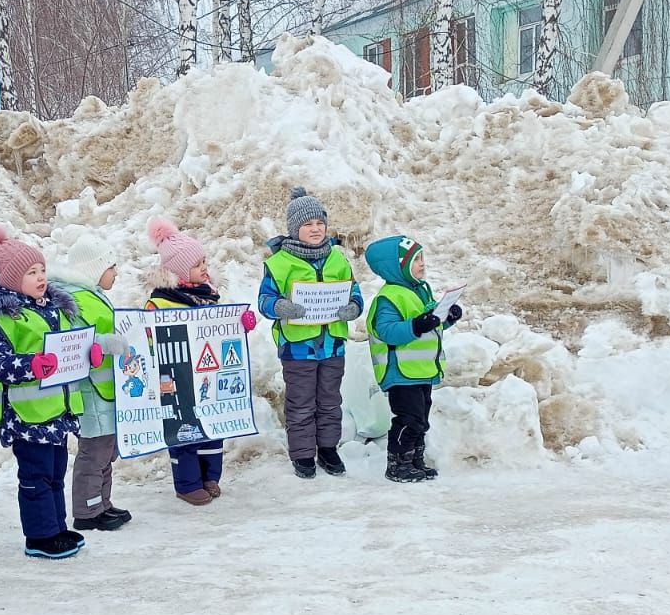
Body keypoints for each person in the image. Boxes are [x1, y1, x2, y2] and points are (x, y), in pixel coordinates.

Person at [0, 224, 92, 559]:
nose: (41, 276)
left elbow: (71, 345)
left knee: (55, 470)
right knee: (36, 475)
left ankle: (57, 527)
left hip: (58, 409)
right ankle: (39, 536)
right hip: (26, 415)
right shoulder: (3, 318)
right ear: (12, 279)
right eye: (31, 272)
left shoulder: (53, 308)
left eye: (41, 269)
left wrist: (89, 353)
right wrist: (32, 365)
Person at [146, 216, 257, 505]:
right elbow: (146, 336)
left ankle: (211, 476)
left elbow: (220, 330)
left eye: (204, 261)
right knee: (184, 429)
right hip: (177, 377)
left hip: (206, 374)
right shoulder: (160, 301)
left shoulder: (208, 296)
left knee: (212, 424)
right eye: (198, 265)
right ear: (180, 272)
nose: (205, 268)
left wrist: (241, 323)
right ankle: (187, 483)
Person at [257, 187, 363, 478]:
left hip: (332, 345)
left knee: (330, 400)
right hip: (298, 346)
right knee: (301, 402)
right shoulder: (278, 264)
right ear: (294, 229)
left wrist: (353, 308)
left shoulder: (338, 259)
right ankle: (303, 454)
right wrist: (282, 307)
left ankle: (328, 449)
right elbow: (264, 301)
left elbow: (355, 293)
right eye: (308, 224)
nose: (316, 229)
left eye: (320, 223)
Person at [364, 235, 461, 482]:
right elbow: (387, 331)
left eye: (422, 258)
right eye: (415, 260)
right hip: (401, 371)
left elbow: (429, 324)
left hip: (421, 369)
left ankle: (415, 460)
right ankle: (397, 464)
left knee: (421, 419)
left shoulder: (418, 290)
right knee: (408, 419)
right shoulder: (389, 297)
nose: (422, 263)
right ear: (397, 266)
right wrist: (417, 324)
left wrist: (447, 318)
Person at [54, 233, 132, 531]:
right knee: (94, 451)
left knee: (107, 450)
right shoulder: (74, 300)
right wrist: (102, 344)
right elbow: (73, 343)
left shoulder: (93, 295)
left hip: (106, 389)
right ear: (93, 268)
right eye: (111, 266)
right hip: (90, 392)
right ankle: (86, 512)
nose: (116, 272)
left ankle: (103, 503)